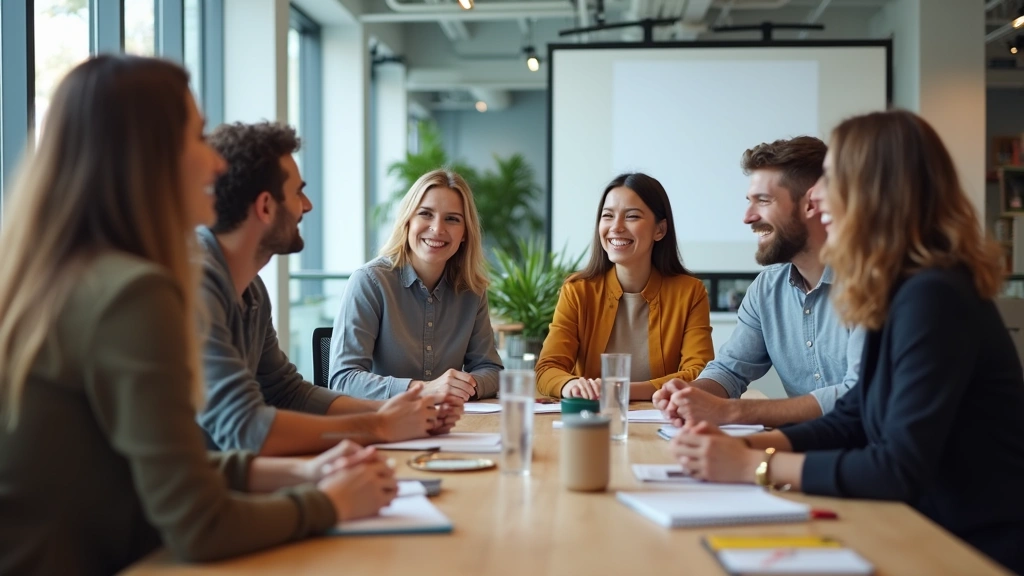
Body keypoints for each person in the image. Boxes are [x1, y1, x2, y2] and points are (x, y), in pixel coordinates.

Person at [0, 55, 397, 575]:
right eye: (197, 138)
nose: (215, 163)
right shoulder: (134, 294)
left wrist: (306, 473)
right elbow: (199, 524)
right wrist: (330, 503)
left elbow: (166, 468)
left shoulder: (68, 274)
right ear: (148, 157)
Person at [670, 110, 1024, 574]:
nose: (815, 196)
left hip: (966, 547)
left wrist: (754, 467)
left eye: (831, 178)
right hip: (915, 525)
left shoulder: (934, 295)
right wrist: (752, 448)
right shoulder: (893, 287)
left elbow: (897, 466)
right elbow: (856, 414)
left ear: (877, 192)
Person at [198, 122, 461, 456]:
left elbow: (286, 392)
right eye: (298, 193)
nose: (306, 206)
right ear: (265, 206)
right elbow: (247, 429)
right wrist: (378, 426)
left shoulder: (252, 290)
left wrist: (405, 414)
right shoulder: (196, 285)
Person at [653, 137, 865, 427]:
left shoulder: (871, 283)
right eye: (749, 202)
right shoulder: (767, 289)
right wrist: (693, 394)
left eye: (763, 201)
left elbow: (858, 395)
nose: (747, 217)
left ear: (811, 204)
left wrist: (731, 412)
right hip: (806, 449)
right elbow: (730, 370)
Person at [535, 173, 714, 401]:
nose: (616, 227)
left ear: (659, 230)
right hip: (592, 421)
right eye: (607, 216)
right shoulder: (577, 291)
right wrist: (571, 386)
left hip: (663, 421)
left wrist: (619, 390)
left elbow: (700, 374)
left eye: (631, 216)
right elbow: (547, 369)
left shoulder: (690, 292)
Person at [329, 169, 503, 401]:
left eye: (452, 219)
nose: (438, 228)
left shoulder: (471, 290)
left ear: (464, 234)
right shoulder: (370, 282)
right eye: (425, 214)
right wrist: (424, 389)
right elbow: (344, 380)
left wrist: (464, 385)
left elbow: (491, 370)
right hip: (380, 427)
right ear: (407, 222)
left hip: (449, 425)